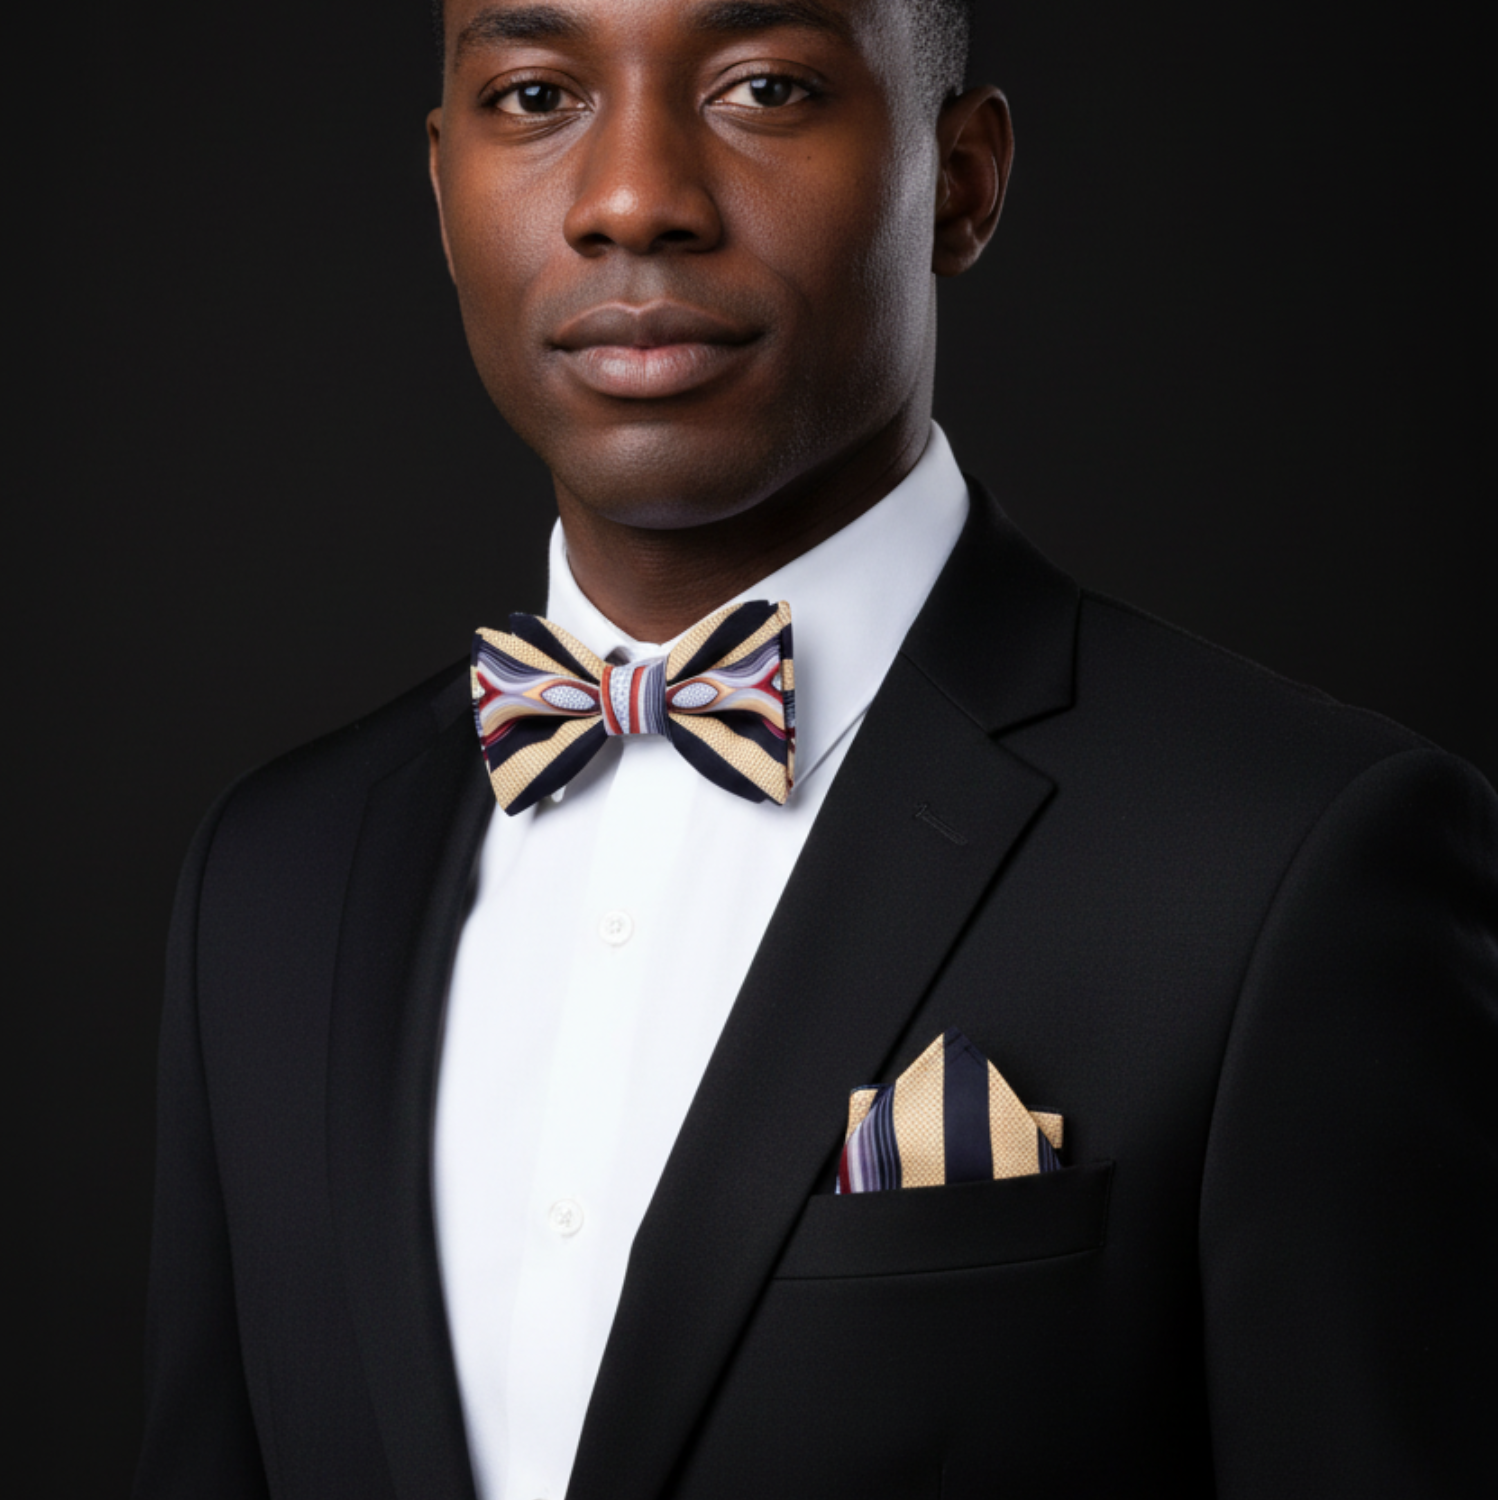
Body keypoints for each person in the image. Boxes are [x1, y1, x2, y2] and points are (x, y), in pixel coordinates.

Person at [134, 1, 1497, 1496]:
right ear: (445, 188)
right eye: (534, 96)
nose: (633, 197)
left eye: (765, 86)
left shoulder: (1294, 860)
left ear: (961, 181)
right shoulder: (270, 883)